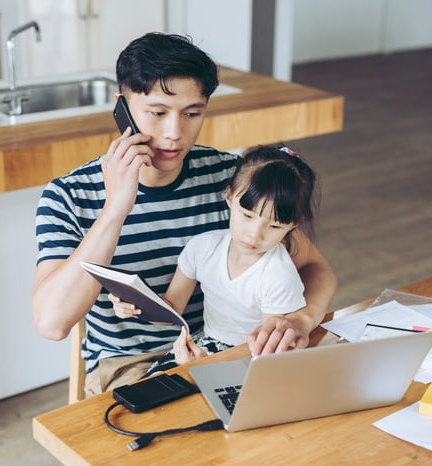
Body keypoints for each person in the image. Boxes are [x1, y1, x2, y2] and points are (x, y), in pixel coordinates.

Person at [31, 32, 337, 397]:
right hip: (133, 364)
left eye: (192, 114)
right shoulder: (68, 195)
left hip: (226, 350)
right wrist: (115, 209)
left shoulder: (232, 179)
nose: (174, 133)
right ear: (122, 107)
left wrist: (302, 319)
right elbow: (52, 324)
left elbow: (315, 267)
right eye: (157, 113)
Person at [113, 145, 319, 373]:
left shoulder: (278, 275)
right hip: (205, 345)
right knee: (151, 390)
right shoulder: (203, 247)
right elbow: (171, 308)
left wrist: (210, 365)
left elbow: (269, 354)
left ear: (293, 224)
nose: (255, 234)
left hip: (249, 359)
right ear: (229, 196)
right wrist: (137, 305)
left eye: (273, 226)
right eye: (248, 215)